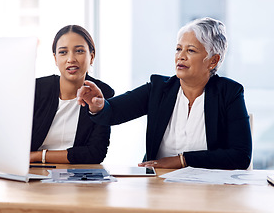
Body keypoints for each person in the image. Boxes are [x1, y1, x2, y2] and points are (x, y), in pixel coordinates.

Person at [77, 17, 252, 170]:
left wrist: (182, 161)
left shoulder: (229, 93)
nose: (180, 56)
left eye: (190, 50)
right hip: (159, 184)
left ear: (213, 60)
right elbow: (113, 112)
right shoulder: (158, 88)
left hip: (210, 191)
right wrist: (99, 106)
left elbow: (241, 156)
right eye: (178, 49)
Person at [30, 25, 114, 164]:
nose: (71, 59)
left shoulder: (102, 94)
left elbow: (95, 153)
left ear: (91, 57)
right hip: (33, 174)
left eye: (79, 51)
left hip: (78, 175)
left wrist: (38, 156)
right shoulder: (37, 89)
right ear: (55, 59)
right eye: (63, 52)